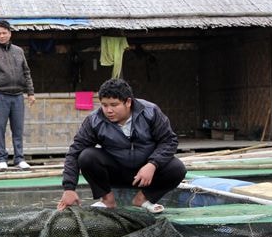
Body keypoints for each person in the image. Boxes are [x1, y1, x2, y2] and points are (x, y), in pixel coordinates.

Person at [57, 78, 186, 213]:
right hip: (116, 173)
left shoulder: (150, 112)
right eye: (104, 105)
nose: (108, 110)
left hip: (147, 175)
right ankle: (107, 200)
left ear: (128, 102)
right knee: (86, 156)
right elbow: (75, 152)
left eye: (114, 104)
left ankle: (142, 199)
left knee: (177, 168)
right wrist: (69, 188)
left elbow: (169, 141)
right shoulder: (94, 120)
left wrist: (152, 164)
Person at [0, 20, 36, 170]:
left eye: (4, 33)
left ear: (10, 33)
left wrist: (30, 92)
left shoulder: (18, 51)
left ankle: (19, 159)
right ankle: (1, 159)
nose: (2, 36)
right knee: (0, 128)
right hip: (0, 95)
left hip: (18, 95)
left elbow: (26, 72)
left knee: (18, 129)